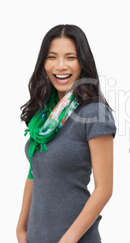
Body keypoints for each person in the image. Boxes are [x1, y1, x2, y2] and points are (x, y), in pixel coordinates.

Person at [17, 24, 116, 243]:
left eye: (70, 57)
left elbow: (104, 189)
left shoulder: (95, 113)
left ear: (83, 63)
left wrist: (67, 240)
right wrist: (21, 228)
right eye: (52, 57)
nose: (60, 66)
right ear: (43, 62)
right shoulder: (44, 117)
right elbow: (35, 171)